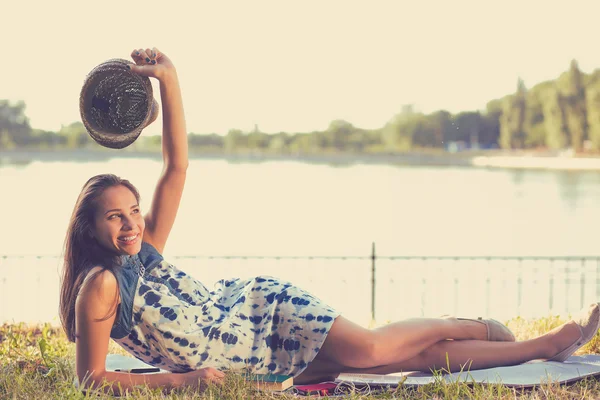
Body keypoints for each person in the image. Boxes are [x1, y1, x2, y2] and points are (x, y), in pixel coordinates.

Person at [60, 47, 600, 394]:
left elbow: (176, 167)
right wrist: (186, 381)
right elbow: (93, 380)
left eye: (133, 211)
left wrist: (171, 81)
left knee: (371, 348)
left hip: (259, 313)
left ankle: (522, 338)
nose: (131, 224)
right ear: (89, 228)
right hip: (256, 361)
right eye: (116, 217)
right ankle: (517, 345)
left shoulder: (142, 248)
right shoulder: (102, 286)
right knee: (399, 361)